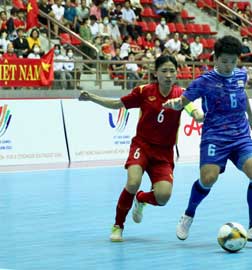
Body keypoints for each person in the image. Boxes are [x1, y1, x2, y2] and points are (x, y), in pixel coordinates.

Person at [78, 55, 204, 242]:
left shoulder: (182, 95)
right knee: (133, 182)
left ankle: (142, 199)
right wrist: (92, 98)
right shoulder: (144, 91)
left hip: (164, 153)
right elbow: (117, 104)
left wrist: (198, 115)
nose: (169, 75)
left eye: (172, 71)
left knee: (163, 197)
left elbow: (195, 111)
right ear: (156, 73)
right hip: (142, 146)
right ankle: (118, 226)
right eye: (164, 71)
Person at [163, 35, 252, 242]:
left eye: (232, 61)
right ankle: (188, 214)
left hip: (240, 136)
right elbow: (183, 101)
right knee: (208, 178)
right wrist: (174, 104)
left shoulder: (241, 75)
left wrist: (250, 115)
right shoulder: (204, 81)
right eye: (224, 61)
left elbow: (243, 94)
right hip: (215, 136)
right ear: (215, 58)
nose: (228, 66)